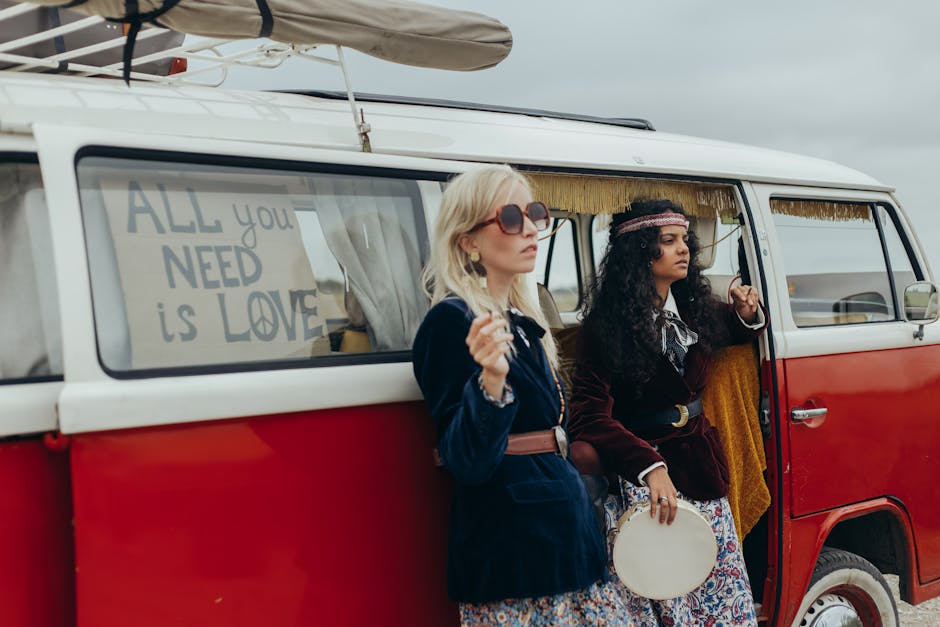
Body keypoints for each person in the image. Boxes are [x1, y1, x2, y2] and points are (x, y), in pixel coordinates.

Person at [412, 165, 622, 625]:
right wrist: (489, 384)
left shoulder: (525, 322)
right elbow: (467, 460)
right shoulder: (452, 322)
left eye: (534, 213)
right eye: (509, 217)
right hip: (517, 557)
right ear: (468, 240)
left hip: (563, 543)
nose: (529, 228)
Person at [568, 199, 766, 626]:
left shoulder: (694, 308)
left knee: (718, 598)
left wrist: (747, 313)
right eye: (669, 241)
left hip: (700, 465)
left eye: (685, 241)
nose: (683, 250)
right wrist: (648, 466)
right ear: (641, 251)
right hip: (645, 487)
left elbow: (732, 328)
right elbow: (586, 416)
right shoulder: (605, 328)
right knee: (660, 597)